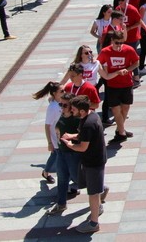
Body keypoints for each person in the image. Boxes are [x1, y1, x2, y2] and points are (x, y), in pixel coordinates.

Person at [60, 95, 110, 233]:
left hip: (93, 161)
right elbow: (83, 136)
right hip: (92, 159)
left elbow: (82, 147)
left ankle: (94, 223)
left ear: (82, 111)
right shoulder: (90, 116)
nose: (71, 111)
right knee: (90, 184)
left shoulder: (88, 124)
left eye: (74, 109)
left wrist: (70, 145)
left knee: (93, 193)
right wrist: (72, 135)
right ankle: (101, 194)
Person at [97, 31, 139, 142]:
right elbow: (98, 63)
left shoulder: (129, 50)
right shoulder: (105, 52)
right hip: (112, 85)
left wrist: (128, 70)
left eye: (121, 43)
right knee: (116, 109)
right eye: (117, 43)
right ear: (111, 41)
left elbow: (136, 62)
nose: (119, 45)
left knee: (125, 108)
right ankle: (121, 133)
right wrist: (104, 71)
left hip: (127, 84)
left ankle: (120, 130)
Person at [32, 81, 64, 185]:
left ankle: (45, 172)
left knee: (55, 155)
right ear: (55, 93)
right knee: (57, 155)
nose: (65, 92)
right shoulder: (52, 108)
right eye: (62, 91)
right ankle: (48, 173)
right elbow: (47, 125)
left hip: (62, 134)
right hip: (55, 137)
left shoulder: (60, 102)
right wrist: (49, 142)